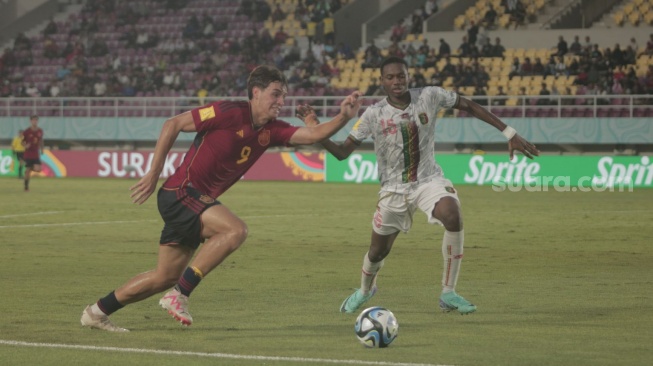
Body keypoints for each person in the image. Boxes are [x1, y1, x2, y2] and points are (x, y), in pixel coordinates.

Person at [80, 65, 363, 332]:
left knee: (163, 275)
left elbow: (314, 133)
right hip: (180, 192)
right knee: (235, 230)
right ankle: (180, 294)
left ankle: (96, 312)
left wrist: (344, 117)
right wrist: (154, 174)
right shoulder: (227, 112)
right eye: (275, 94)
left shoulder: (272, 130)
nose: (281, 101)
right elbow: (172, 124)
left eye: (284, 95)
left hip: (194, 202)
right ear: (256, 92)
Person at [297, 57, 539, 316]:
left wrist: (509, 132)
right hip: (392, 189)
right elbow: (343, 152)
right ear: (382, 82)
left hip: (428, 180)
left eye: (400, 76)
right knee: (378, 252)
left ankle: (448, 292)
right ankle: (366, 290)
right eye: (390, 77)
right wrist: (313, 125)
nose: (396, 81)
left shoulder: (429, 96)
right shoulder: (373, 114)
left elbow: (467, 104)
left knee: (452, 215)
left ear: (408, 76)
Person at [22, 115, 44, 191]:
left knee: (39, 169)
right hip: (28, 153)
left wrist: (42, 149)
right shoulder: (26, 131)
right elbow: (22, 142)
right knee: (28, 172)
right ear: (30, 121)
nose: (35, 121)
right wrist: (25, 145)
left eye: (36, 120)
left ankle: (29, 169)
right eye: (33, 120)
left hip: (35, 153)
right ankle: (26, 187)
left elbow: (41, 140)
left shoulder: (40, 131)